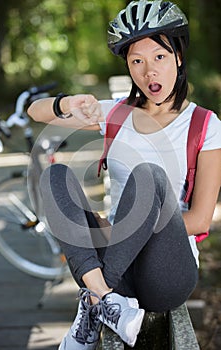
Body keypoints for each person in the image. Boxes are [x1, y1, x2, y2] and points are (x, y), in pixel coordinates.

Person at [27, 1, 221, 349]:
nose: (149, 72)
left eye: (159, 57)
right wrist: (67, 104)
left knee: (149, 179)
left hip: (165, 271)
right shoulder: (115, 113)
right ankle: (103, 298)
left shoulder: (205, 126)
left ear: (178, 56)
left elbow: (200, 219)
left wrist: (119, 229)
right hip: (113, 261)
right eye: (137, 61)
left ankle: (95, 299)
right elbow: (35, 112)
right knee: (54, 177)